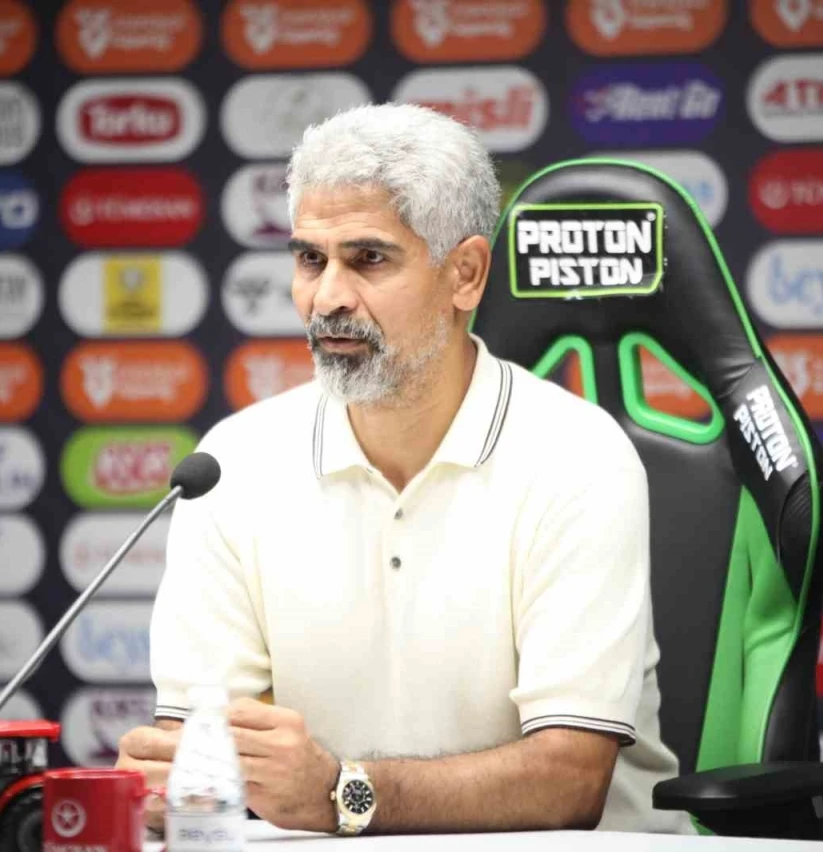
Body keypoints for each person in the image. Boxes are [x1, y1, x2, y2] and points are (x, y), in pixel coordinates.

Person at [116, 102, 693, 836]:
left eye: (369, 260)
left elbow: (568, 782)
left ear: (466, 275)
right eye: (310, 260)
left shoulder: (577, 456)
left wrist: (341, 795)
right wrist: (179, 783)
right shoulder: (231, 464)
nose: (328, 298)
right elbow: (205, 758)